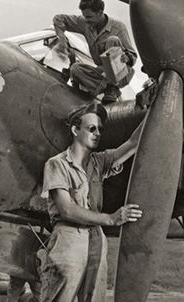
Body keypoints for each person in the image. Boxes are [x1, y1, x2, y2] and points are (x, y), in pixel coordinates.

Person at [38, 103, 144, 302]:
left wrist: (155, 105)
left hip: (97, 238)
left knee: (95, 298)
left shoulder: (99, 162)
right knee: (60, 297)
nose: (97, 133)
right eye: (91, 128)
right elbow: (67, 209)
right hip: (69, 236)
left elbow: (133, 143)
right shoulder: (57, 164)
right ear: (75, 130)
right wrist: (111, 219)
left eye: (100, 129)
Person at [53, 0, 137, 104]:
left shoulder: (118, 27)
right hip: (101, 72)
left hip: (121, 74)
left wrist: (127, 57)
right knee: (75, 69)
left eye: (89, 17)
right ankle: (104, 89)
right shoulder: (85, 23)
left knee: (112, 40)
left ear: (100, 13)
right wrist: (62, 39)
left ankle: (112, 88)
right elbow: (59, 19)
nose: (86, 20)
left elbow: (133, 57)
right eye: (84, 16)